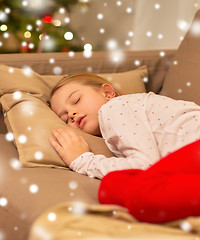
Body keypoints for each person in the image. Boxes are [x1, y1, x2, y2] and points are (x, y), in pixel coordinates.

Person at [48, 72, 200, 223]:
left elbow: (143, 164)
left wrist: (83, 161)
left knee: (115, 186)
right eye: (66, 118)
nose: (72, 114)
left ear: (107, 93)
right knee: (117, 185)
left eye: (76, 100)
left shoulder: (113, 107)